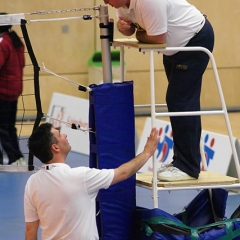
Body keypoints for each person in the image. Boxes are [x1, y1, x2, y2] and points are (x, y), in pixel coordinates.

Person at [104, 0, 214, 181]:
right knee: (183, 103)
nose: (106, 2)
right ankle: (182, 162)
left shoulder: (149, 1)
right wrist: (124, 28)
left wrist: (140, 34)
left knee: (179, 101)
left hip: (194, 40)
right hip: (173, 49)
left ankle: (187, 167)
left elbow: (157, 38)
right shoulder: (122, 4)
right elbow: (132, 30)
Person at [24, 122, 159, 239]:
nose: (65, 135)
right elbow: (123, 173)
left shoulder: (32, 183)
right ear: (55, 147)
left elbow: (31, 231)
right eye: (60, 135)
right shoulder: (80, 177)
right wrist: (147, 152)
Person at [0, 12, 26, 165]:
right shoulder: (16, 40)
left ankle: (14, 158)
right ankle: (17, 156)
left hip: (3, 91)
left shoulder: (3, 42)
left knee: (3, 127)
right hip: (14, 89)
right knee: (9, 126)